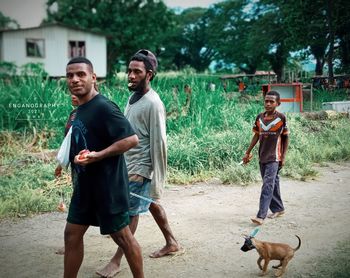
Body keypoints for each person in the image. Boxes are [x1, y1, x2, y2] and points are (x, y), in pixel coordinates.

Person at [96, 49, 180, 278]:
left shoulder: (153, 104)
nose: (130, 76)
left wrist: (157, 182)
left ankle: (117, 260)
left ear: (149, 74)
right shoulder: (133, 97)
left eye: (137, 72)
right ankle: (172, 242)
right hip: (127, 163)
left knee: (131, 212)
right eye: (129, 71)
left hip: (140, 168)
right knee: (148, 203)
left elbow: (159, 143)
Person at [63, 57, 144, 278]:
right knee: (71, 235)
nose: (75, 79)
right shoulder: (79, 109)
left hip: (108, 189)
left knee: (124, 239)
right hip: (84, 189)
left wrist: (98, 155)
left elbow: (131, 140)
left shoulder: (104, 107)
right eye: (70, 75)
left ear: (93, 77)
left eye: (81, 74)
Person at [242, 90, 289, 226]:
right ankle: (279, 208)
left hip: (274, 157)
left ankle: (261, 215)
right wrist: (247, 152)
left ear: (278, 103)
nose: (268, 104)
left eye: (271, 101)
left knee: (267, 185)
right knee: (273, 182)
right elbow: (256, 135)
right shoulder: (259, 117)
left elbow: (286, 138)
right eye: (266, 101)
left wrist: (283, 157)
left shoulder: (281, 118)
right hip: (262, 155)